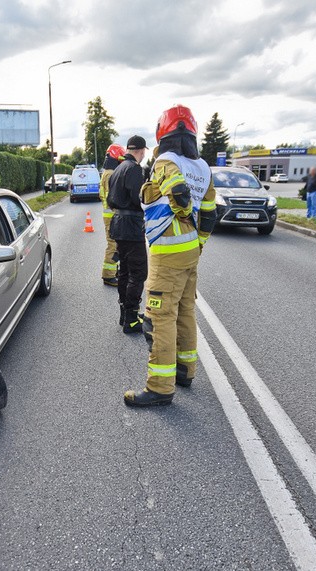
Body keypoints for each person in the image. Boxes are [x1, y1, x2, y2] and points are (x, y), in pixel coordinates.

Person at [124, 105, 216, 407]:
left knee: (160, 317)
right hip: (190, 251)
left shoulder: (166, 160)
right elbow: (211, 213)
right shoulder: (203, 167)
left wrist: (184, 213)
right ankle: (185, 370)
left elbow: (177, 192)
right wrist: (199, 242)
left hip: (169, 252)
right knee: (186, 310)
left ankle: (160, 387)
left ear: (162, 135)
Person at [107, 135, 148, 333]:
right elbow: (139, 198)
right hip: (131, 226)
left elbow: (110, 198)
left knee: (124, 271)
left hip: (119, 224)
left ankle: (125, 313)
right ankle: (132, 318)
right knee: (138, 272)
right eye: (144, 152)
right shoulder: (134, 169)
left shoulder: (118, 168)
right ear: (141, 151)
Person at [99, 144, 125, 287]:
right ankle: (108, 275)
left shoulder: (107, 172)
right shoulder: (110, 174)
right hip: (112, 216)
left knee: (115, 244)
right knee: (113, 245)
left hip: (110, 215)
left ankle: (112, 272)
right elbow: (113, 198)